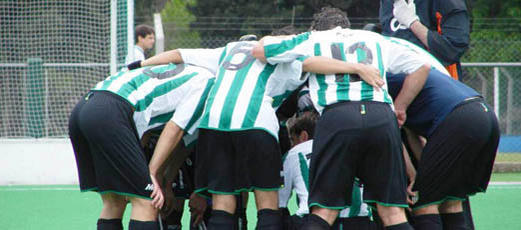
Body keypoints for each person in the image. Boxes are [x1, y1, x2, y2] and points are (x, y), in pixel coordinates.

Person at [133, 29, 383, 229]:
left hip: (214, 124)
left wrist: (140, 64)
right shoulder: (280, 53)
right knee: (267, 204)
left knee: (223, 202)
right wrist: (357, 67)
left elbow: (177, 53)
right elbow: (314, 63)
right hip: (255, 122)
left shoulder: (228, 50)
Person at [253, 6, 432, 230]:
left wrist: (297, 39)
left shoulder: (313, 38)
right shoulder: (375, 38)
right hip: (381, 116)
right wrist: (400, 107)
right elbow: (422, 66)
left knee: (324, 211)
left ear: (316, 28)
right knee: (393, 212)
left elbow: (260, 49)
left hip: (339, 116)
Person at [68, 63, 214, 230]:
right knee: (148, 201)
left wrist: (159, 177)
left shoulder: (186, 71)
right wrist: (151, 173)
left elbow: (141, 134)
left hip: (85, 107)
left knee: (114, 202)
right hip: (111, 111)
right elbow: (174, 129)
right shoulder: (208, 82)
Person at [386, 62, 500, 229]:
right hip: (486, 116)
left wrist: (413, 176)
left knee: (423, 203)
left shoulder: (385, 83)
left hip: (459, 120)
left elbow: (394, 135)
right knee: (451, 200)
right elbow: (413, 135)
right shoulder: (405, 72)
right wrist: (419, 174)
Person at [280, 110, 377, 230]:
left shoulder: (294, 153)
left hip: (313, 221)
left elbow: (280, 202)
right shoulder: (353, 146)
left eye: (292, 140)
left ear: (303, 136)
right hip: (360, 221)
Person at [379, 0, 470, 80]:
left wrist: (412, 22)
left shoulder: (446, 3)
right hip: (395, 82)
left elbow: (452, 50)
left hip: (438, 84)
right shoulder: (387, 2)